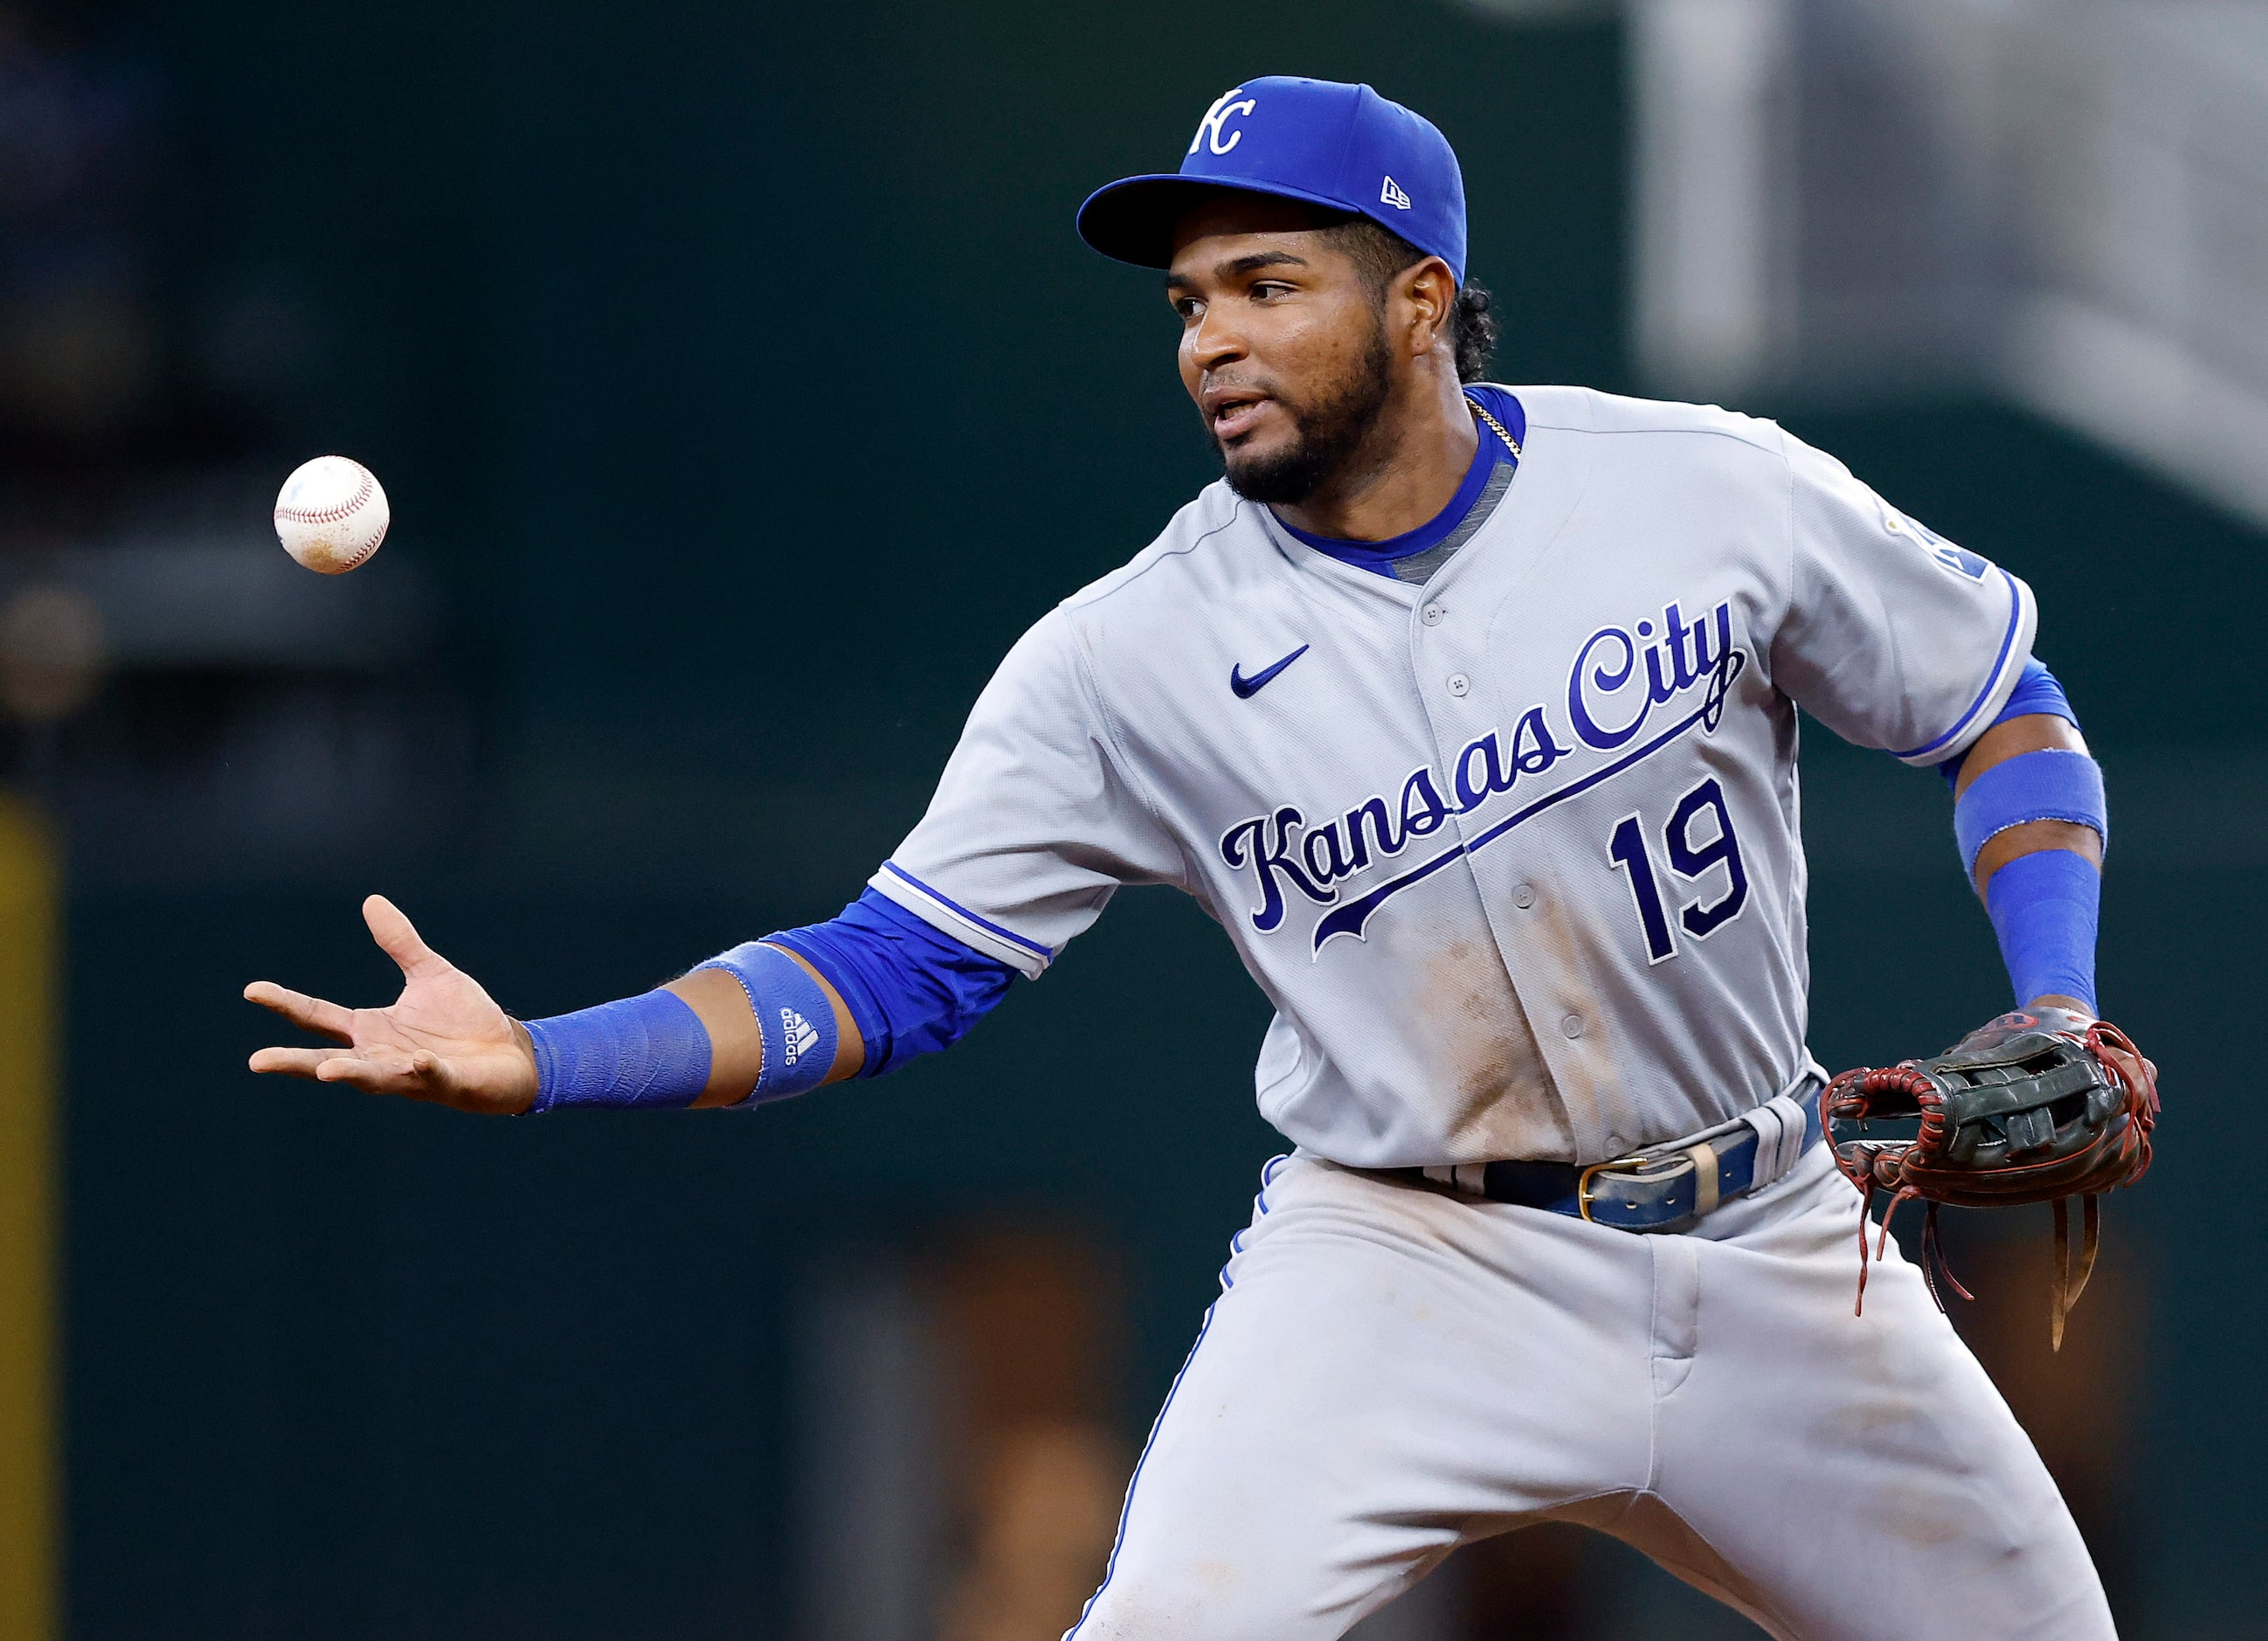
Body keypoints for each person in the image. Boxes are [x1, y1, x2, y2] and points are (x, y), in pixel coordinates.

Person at [246, 77, 2119, 1639]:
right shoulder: (1125, 655)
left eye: (1263, 282)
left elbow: (1995, 705)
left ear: (1417, 297)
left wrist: (2056, 994)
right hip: (1415, 1261)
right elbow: (888, 971)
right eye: (1184, 304)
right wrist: (546, 1053)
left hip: (1776, 1238)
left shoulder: (1700, 487)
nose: (1210, 337)